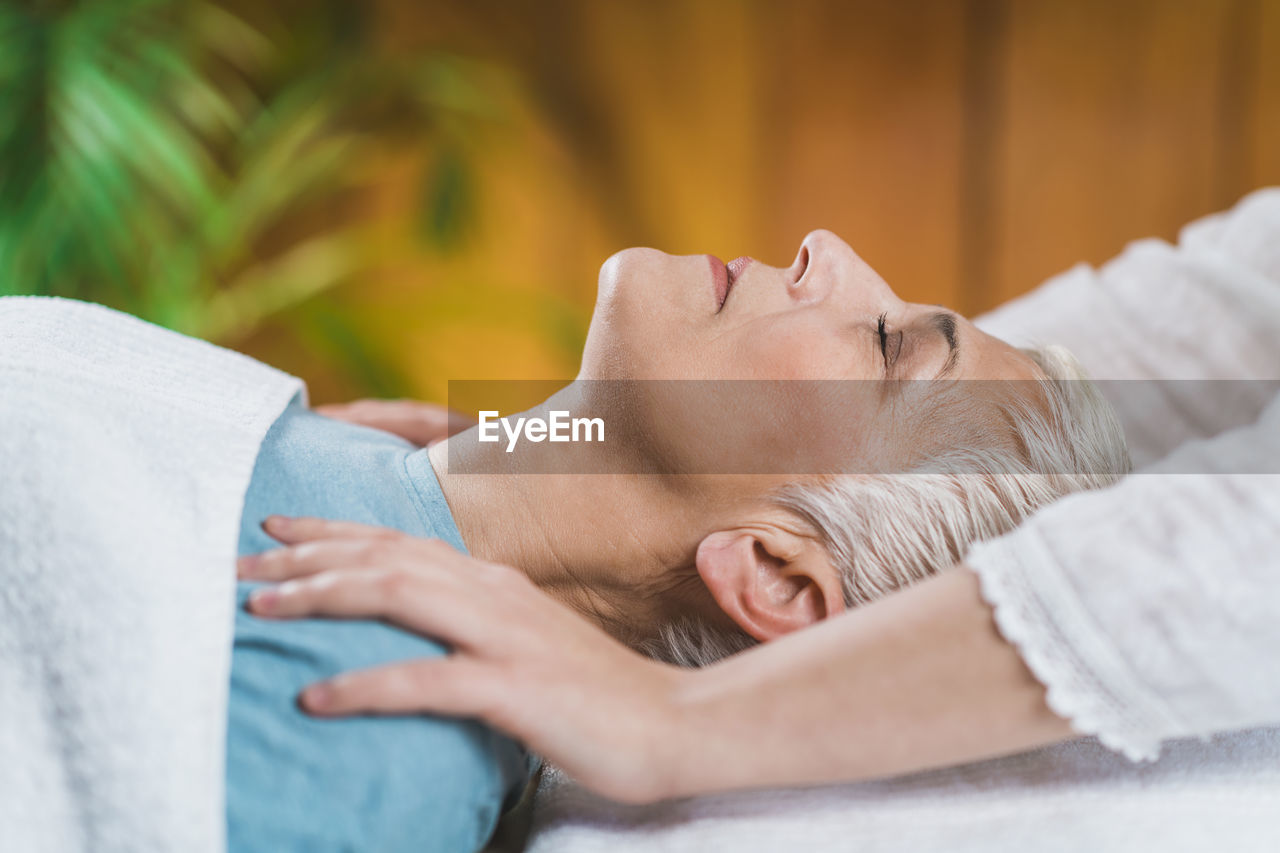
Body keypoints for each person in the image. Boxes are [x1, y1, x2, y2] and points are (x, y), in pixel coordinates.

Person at [239, 188, 1280, 811]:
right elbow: (1214, 315)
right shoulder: (333, 456)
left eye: (882, 342)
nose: (825, 247)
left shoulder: (357, 731)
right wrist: (537, 444)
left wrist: (671, 721)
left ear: (776, 575)